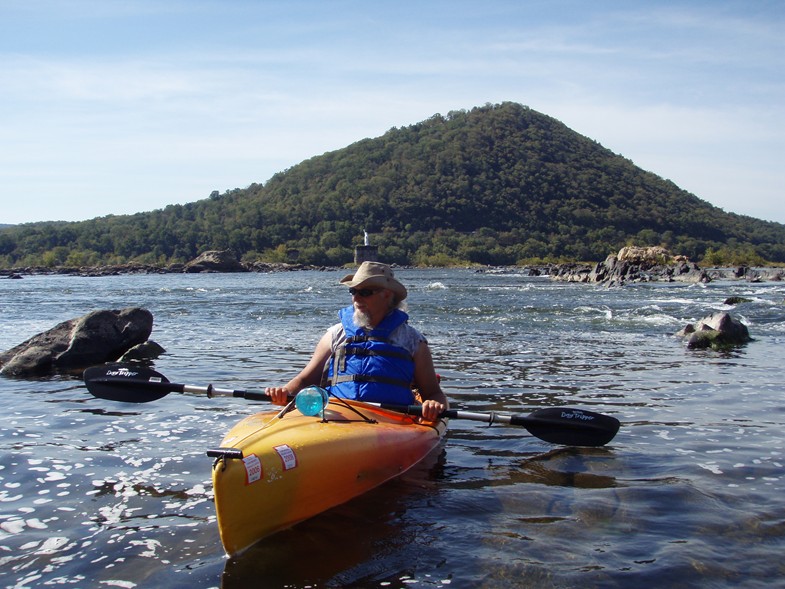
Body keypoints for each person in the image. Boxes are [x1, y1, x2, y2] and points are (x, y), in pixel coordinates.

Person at [266, 262, 448, 421]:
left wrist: (434, 405)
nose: (356, 298)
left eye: (365, 292)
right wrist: (284, 392)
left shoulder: (412, 341)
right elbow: (305, 380)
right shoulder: (336, 334)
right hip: (337, 416)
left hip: (392, 419)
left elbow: (433, 393)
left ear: (387, 294)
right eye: (353, 291)